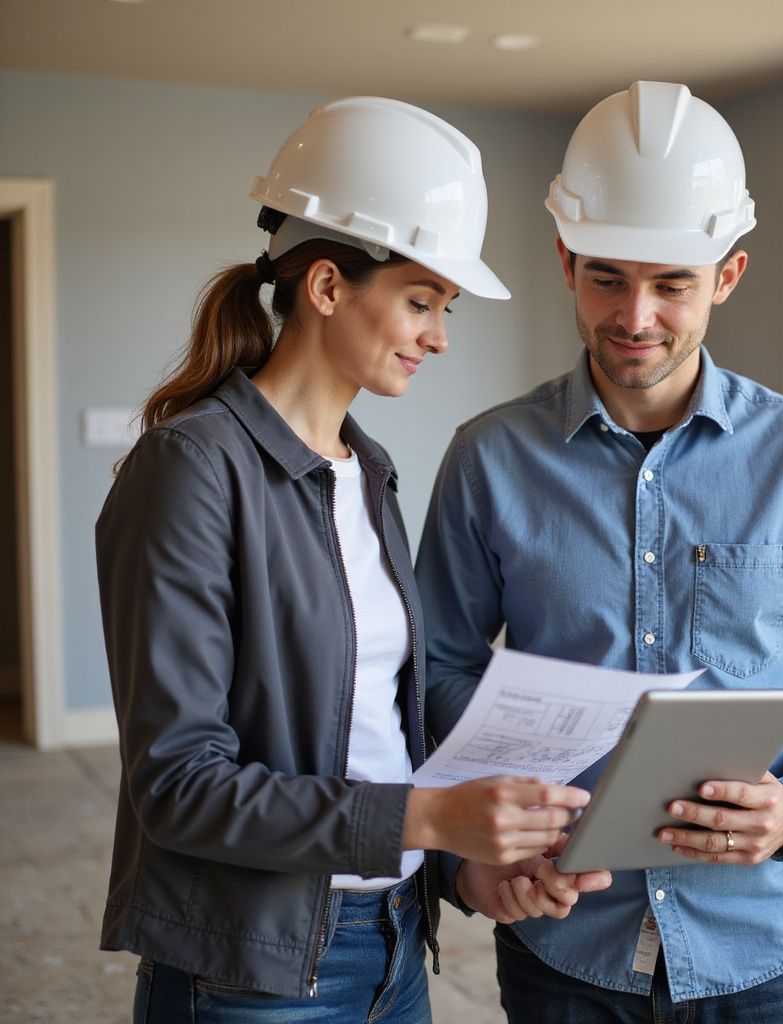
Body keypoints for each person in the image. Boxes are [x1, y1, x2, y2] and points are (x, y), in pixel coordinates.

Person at [416, 81, 783, 1023]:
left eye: (672, 284)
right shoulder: (488, 458)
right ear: (566, 259)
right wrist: (493, 811)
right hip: (563, 939)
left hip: (761, 948)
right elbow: (433, 667)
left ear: (726, 277)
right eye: (606, 275)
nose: (635, 315)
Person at [95, 96, 605, 1024]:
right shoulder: (192, 470)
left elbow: (372, 735)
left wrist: (458, 863)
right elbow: (176, 785)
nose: (440, 335)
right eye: (420, 301)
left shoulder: (366, 471)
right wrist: (430, 818)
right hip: (253, 971)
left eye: (443, 307)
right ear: (327, 286)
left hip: (393, 942)